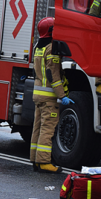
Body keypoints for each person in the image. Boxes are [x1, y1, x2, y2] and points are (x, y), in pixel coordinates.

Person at [30, 17, 71, 173]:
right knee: (47, 129)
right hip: (49, 97)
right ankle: (44, 162)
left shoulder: (38, 47)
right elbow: (53, 74)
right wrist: (62, 96)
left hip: (38, 94)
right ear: (52, 30)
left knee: (37, 128)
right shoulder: (51, 48)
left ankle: (35, 159)